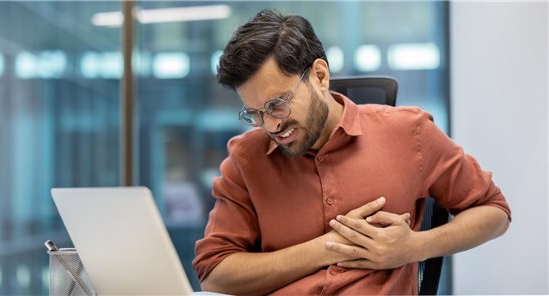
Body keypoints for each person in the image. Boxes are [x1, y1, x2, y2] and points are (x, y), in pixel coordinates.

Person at [192, 9, 511, 295]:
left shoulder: (408, 131)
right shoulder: (246, 158)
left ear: (319, 75)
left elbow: (494, 211)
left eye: (277, 105)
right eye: (254, 114)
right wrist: (326, 249)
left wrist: (415, 247)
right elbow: (214, 273)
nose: (271, 125)